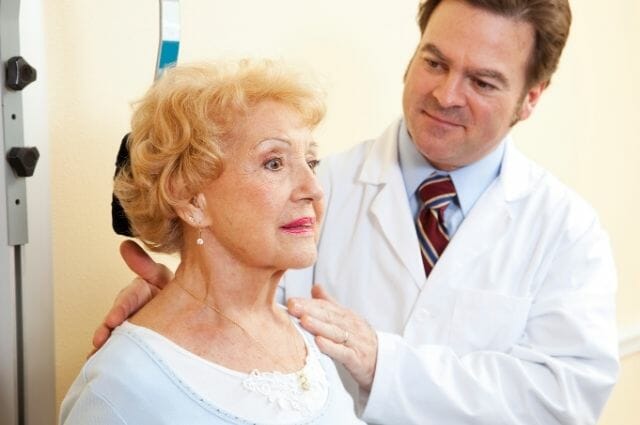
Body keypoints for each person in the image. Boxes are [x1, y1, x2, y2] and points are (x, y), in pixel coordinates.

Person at [95, 0, 619, 424]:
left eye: (482, 82)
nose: (444, 94)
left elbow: (563, 400)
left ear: (531, 97)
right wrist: (185, 294)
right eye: (434, 62)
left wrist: (382, 362)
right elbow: (241, 315)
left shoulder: (565, 231)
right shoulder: (321, 189)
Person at [61, 60, 365, 424]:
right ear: (190, 199)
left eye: (311, 162)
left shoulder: (313, 347)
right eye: (274, 163)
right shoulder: (122, 386)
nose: (313, 190)